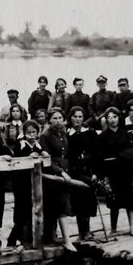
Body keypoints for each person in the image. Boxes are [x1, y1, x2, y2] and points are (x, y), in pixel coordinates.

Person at [99, 107, 133, 236]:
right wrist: (104, 175)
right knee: (113, 200)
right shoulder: (103, 136)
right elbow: (100, 156)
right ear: (106, 120)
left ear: (119, 118)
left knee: (131, 197)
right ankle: (113, 228)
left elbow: (132, 152)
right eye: (109, 117)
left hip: (126, 170)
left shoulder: (124, 133)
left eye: (115, 117)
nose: (112, 120)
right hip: (112, 169)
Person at [39, 108, 76, 251]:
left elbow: (66, 154)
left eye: (60, 118)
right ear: (49, 120)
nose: (58, 121)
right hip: (53, 175)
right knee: (60, 206)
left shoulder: (63, 133)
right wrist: (60, 172)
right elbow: (47, 159)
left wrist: (67, 171)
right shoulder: (45, 136)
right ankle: (67, 240)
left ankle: (53, 237)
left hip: (65, 171)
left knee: (60, 205)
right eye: (54, 118)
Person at [66, 107, 100, 241]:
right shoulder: (68, 134)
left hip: (89, 171)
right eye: (75, 116)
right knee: (78, 202)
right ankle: (81, 232)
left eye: (80, 116)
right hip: (74, 173)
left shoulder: (90, 133)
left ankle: (87, 231)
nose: (77, 119)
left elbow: (97, 154)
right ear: (70, 118)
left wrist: (96, 172)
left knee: (88, 201)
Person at [8, 120, 43, 248]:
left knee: (31, 210)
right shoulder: (21, 144)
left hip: (33, 182)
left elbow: (42, 156)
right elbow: (18, 160)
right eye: (29, 133)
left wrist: (42, 154)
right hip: (21, 183)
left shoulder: (38, 145)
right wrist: (29, 156)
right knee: (21, 212)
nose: (31, 135)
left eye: (34, 132)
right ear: (24, 133)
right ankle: (15, 239)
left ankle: (28, 238)